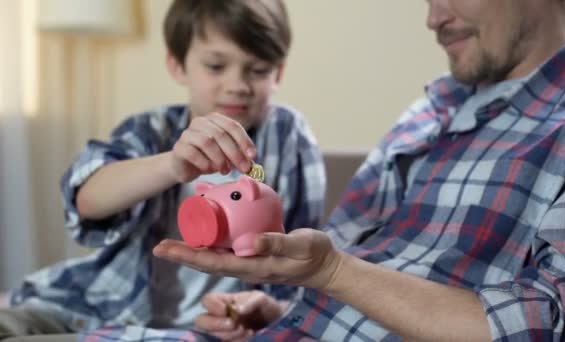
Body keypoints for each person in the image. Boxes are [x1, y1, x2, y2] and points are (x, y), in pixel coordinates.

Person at [152, 0, 565, 341]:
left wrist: (332, 273)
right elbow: (352, 268)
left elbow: (562, 328)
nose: (434, 18)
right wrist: (279, 309)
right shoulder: (425, 116)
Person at [0, 0, 325, 341]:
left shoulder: (287, 136)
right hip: (94, 305)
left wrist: (266, 308)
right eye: (216, 66)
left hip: (206, 328)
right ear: (177, 65)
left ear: (279, 72)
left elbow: (300, 261)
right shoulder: (151, 128)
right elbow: (85, 196)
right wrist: (170, 164)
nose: (237, 85)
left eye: (257, 69)